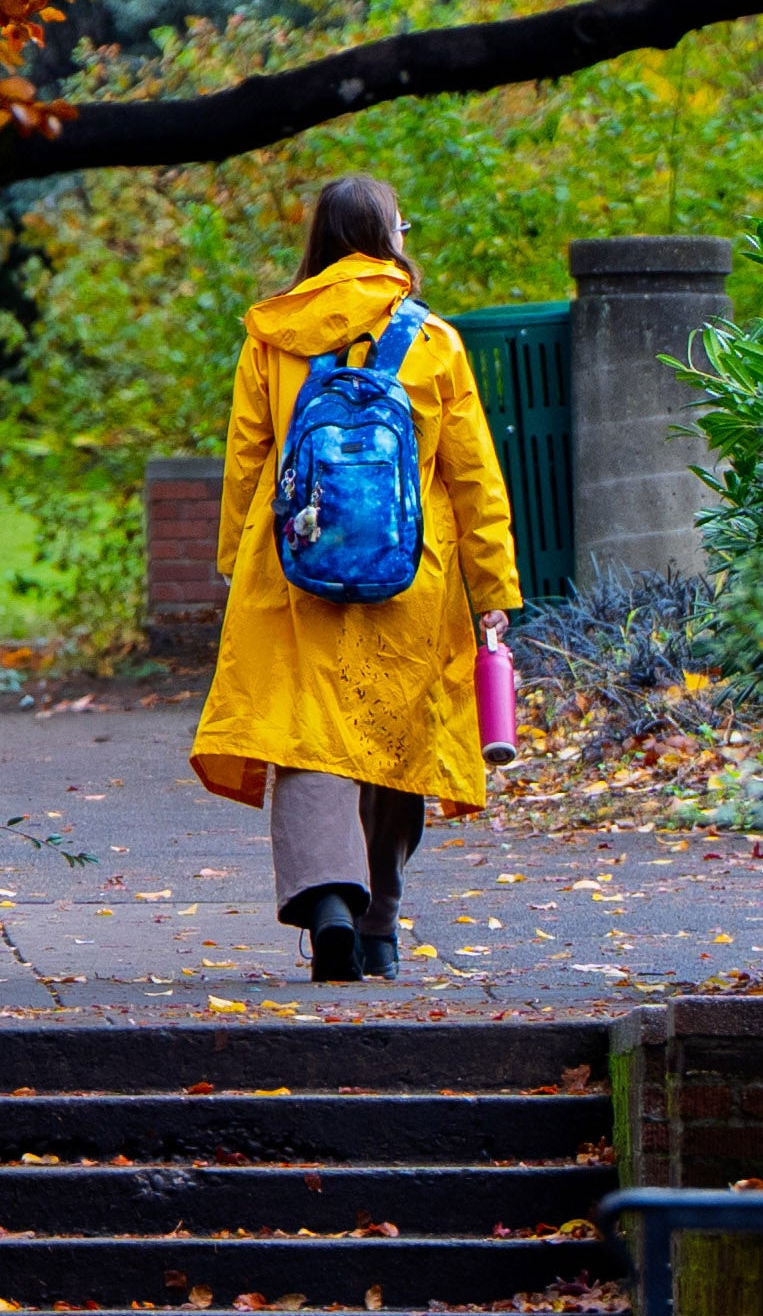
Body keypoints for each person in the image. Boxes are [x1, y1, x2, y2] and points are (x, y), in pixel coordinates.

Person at [187, 173, 520, 986]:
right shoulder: (433, 341)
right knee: (392, 740)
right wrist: (492, 593)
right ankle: (379, 928)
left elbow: (246, 459)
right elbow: (473, 477)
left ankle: (327, 901)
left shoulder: (272, 334)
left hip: (294, 570)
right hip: (410, 573)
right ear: (387, 236)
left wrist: (238, 563)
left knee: (309, 734)